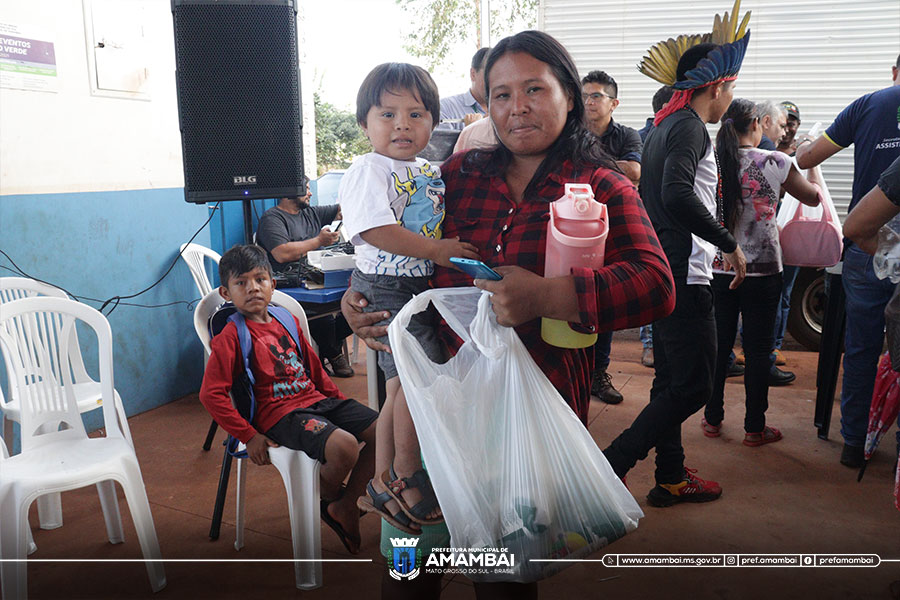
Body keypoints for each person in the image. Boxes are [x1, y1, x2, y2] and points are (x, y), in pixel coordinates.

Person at [342, 30, 675, 598]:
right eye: (500, 94)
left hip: (521, 427)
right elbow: (398, 234)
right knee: (404, 577)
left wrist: (550, 296)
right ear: (485, 104)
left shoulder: (601, 187)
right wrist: (361, 292)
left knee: (502, 582)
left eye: (533, 89)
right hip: (430, 420)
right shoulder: (458, 176)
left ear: (568, 95)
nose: (516, 107)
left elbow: (655, 285)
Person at [605, 19, 751, 506]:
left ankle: (669, 476)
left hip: (665, 269)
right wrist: (727, 241)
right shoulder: (688, 127)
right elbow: (676, 194)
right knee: (693, 387)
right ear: (719, 85)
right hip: (684, 276)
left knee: (669, 382)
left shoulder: (667, 124)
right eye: (732, 88)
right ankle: (614, 462)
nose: (732, 98)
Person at [340, 62, 480, 535]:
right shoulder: (368, 168)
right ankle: (407, 474)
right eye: (387, 114)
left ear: (435, 122)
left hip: (415, 285)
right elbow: (375, 229)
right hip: (389, 286)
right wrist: (435, 250)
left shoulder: (426, 170)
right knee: (417, 381)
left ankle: (382, 480)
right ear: (365, 124)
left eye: (416, 114)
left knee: (400, 385)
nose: (402, 124)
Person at [199, 244, 377, 554]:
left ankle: (345, 506)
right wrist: (249, 435)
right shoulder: (230, 336)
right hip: (279, 415)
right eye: (241, 283)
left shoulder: (286, 319)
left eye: (260, 279)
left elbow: (314, 367)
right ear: (226, 293)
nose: (253, 288)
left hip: (316, 401)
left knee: (384, 431)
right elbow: (210, 394)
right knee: (345, 447)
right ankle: (327, 497)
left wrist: (337, 403)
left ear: (273, 284)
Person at [795, 54, 900, 468]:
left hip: (868, 241)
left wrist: (804, 144)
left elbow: (806, 160)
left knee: (861, 347)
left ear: (895, 71)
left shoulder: (868, 105)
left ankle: (854, 442)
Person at [701, 98, 822, 446]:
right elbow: (812, 198)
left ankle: (712, 419)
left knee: (719, 345)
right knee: (757, 351)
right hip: (765, 271)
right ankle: (755, 427)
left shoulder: (713, 161)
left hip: (719, 268)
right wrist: (811, 165)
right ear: (756, 124)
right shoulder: (776, 161)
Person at [581, 70, 644, 403]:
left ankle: (597, 373)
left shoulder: (627, 135)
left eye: (596, 96)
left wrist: (589, 165)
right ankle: (572, 370)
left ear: (613, 103)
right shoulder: (568, 132)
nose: (589, 102)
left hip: (611, 225)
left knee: (603, 299)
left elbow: (635, 171)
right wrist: (609, 167)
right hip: (571, 226)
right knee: (569, 296)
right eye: (585, 96)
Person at [255, 180, 356, 377]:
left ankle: (329, 349)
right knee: (321, 314)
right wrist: (318, 241)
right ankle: (333, 354)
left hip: (317, 279)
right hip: (288, 287)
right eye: (306, 189)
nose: (310, 193)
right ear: (289, 190)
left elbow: (344, 208)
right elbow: (281, 253)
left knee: (356, 301)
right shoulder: (272, 218)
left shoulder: (312, 213)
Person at [637, 85, 674, 370]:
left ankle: (658, 346)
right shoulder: (646, 138)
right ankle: (650, 346)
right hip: (648, 223)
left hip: (662, 222)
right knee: (653, 282)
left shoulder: (669, 134)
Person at [436, 47, 490, 130]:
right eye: (489, 75)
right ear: (473, 74)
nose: (496, 82)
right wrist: (471, 132)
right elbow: (442, 142)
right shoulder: (445, 108)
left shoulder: (507, 110)